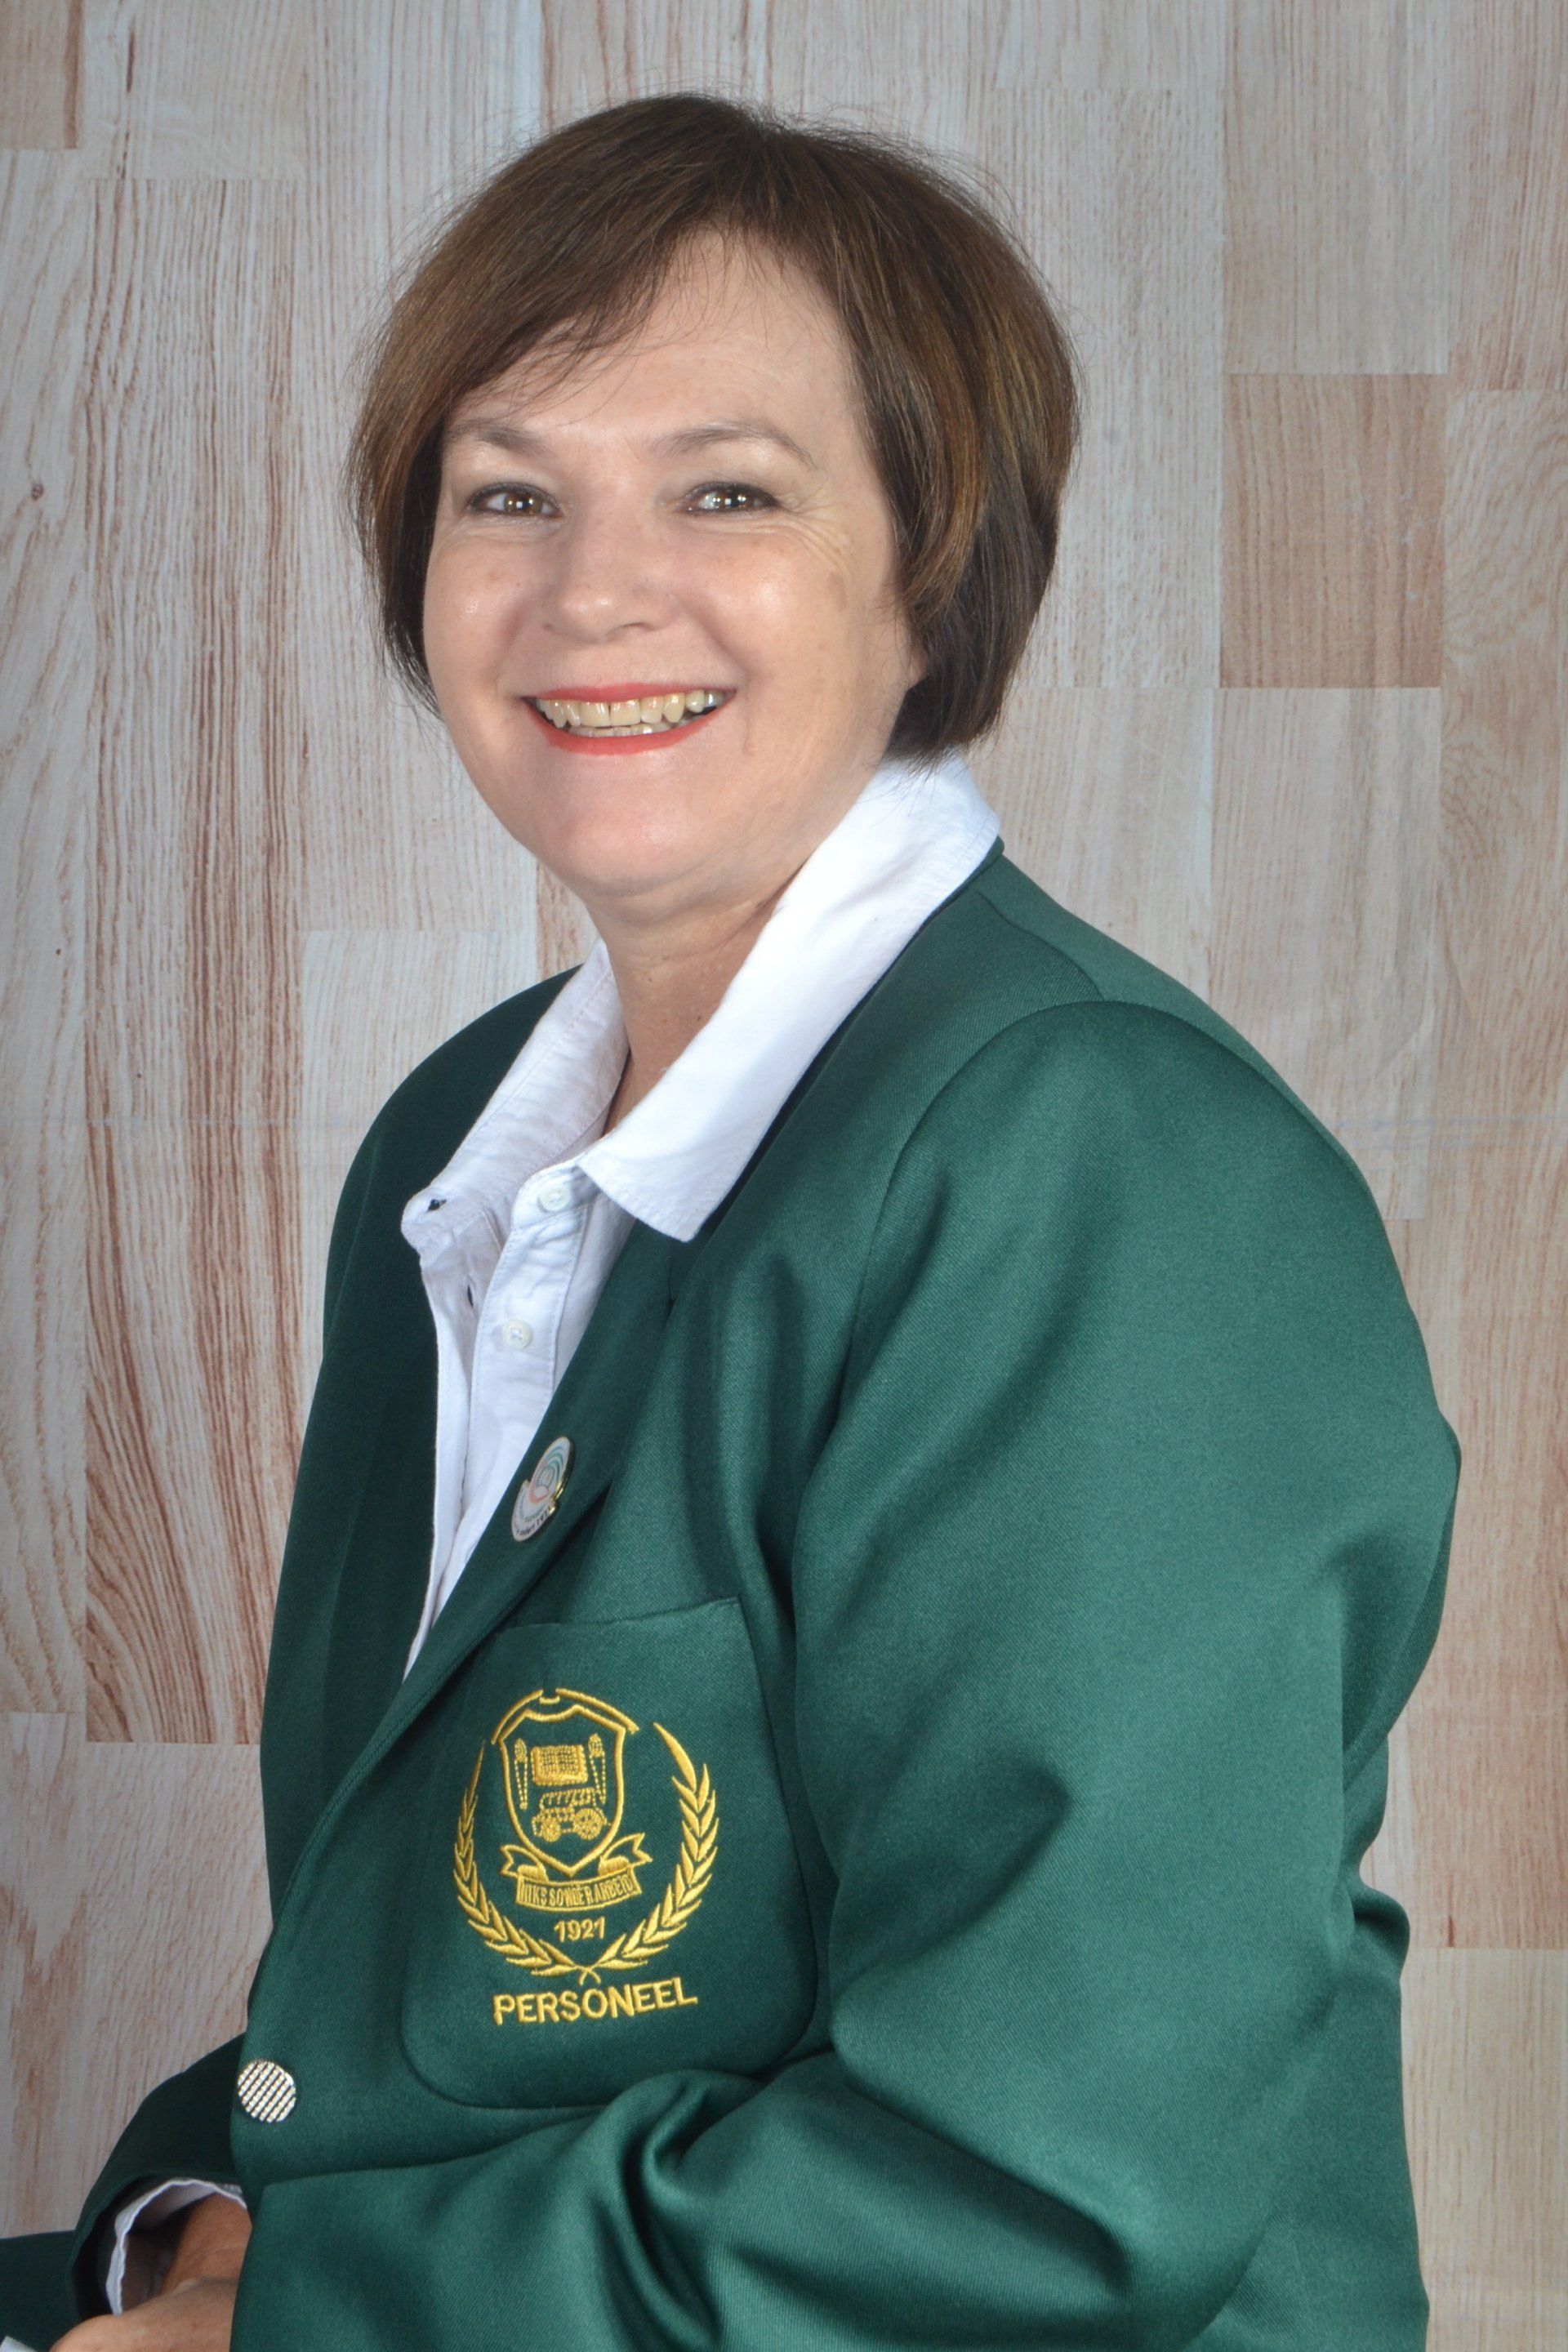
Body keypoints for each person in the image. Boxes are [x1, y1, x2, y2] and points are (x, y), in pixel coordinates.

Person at [0, 91, 1461, 2352]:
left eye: (728, 491)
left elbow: (1045, 2186)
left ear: (931, 571)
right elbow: (434, 1990)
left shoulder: (1105, 1174)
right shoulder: (458, 1147)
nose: (593, 592)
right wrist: (189, 2233)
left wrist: (302, 2319)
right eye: (510, 493)